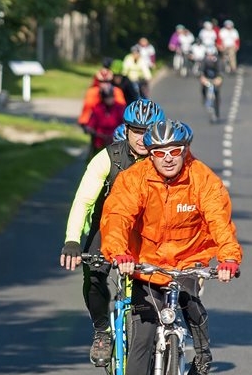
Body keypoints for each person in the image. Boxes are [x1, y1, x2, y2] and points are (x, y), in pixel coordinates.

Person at [100, 119, 243, 375]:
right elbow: (117, 216)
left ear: (185, 150)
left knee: (191, 306)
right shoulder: (134, 179)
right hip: (147, 264)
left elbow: (219, 221)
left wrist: (228, 259)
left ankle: (202, 358)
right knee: (142, 338)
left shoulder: (202, 179)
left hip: (188, 261)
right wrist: (120, 253)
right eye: (159, 153)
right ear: (150, 155)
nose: (168, 159)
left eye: (175, 151)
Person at [60, 98, 167, 367]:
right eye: (136, 131)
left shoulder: (166, 160)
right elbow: (83, 201)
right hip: (107, 228)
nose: (142, 138)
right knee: (94, 274)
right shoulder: (108, 157)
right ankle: (102, 332)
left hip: (146, 232)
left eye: (149, 131)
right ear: (127, 130)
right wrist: (72, 240)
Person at [84, 85, 126, 160]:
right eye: (107, 98)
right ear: (103, 98)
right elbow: (90, 125)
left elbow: (124, 124)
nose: (109, 100)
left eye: (111, 97)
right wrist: (90, 130)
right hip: (100, 141)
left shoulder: (119, 108)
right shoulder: (97, 108)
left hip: (116, 141)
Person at [78, 68, 126, 134]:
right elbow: (88, 108)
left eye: (107, 82)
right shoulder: (92, 92)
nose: (105, 84)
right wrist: (86, 124)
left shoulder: (117, 91)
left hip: (114, 126)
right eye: (102, 82)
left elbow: (121, 108)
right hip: (97, 126)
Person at [199, 47, 223, 121]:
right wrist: (202, 77)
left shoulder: (218, 61)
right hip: (207, 78)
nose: (210, 57)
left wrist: (219, 78)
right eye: (208, 55)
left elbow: (220, 71)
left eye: (212, 55)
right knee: (203, 87)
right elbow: (201, 71)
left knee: (216, 92)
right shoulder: (204, 61)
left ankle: (217, 110)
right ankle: (204, 98)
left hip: (215, 78)